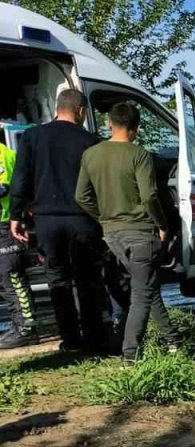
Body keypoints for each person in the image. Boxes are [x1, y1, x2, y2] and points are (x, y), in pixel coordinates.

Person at [74, 102, 176, 363]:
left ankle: (172, 340)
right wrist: (162, 224)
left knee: (147, 286)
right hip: (141, 233)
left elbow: (81, 196)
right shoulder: (139, 155)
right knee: (142, 295)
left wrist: (103, 218)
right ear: (137, 129)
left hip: (111, 236)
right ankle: (130, 356)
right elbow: (150, 195)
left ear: (109, 123)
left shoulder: (91, 155)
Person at [9, 88, 108, 352]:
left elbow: (21, 179)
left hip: (47, 220)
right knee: (87, 278)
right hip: (83, 219)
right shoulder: (91, 141)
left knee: (57, 279)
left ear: (57, 108)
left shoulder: (33, 137)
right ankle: (94, 336)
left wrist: (16, 216)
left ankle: (71, 340)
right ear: (81, 111)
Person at [0, 137, 37, 349]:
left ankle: (26, 327)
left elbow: (3, 188)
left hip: (6, 224)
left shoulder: (3, 155)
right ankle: (18, 325)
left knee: (11, 276)